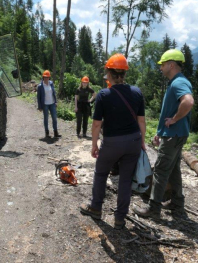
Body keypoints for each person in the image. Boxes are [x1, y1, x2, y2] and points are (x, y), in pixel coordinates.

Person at [80, 53, 146, 230]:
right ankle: (120, 219)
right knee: (125, 180)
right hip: (133, 141)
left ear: (109, 74)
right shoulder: (137, 92)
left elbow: (96, 124)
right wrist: (142, 142)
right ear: (124, 74)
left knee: (101, 173)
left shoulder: (103, 95)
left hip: (112, 143)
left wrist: (94, 144)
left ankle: (96, 207)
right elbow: (141, 121)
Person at [133, 49, 194, 219]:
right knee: (174, 169)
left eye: (162, 65)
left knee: (160, 169)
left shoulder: (178, 83)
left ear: (171, 64)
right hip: (174, 134)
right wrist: (160, 131)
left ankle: (153, 208)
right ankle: (177, 202)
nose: (160, 68)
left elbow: (188, 101)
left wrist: (174, 120)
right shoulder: (177, 81)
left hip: (173, 135)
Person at [37, 70, 61, 138]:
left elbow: (54, 93)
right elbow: (38, 97)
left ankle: (55, 132)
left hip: (52, 103)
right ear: (43, 77)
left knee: (54, 118)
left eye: (47, 77)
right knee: (46, 119)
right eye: (45, 77)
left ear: (49, 77)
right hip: (45, 104)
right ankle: (47, 133)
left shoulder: (51, 83)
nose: (46, 78)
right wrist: (40, 106)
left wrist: (55, 101)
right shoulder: (40, 86)